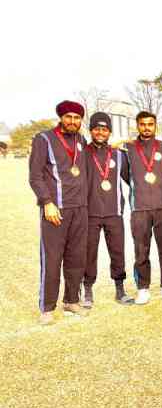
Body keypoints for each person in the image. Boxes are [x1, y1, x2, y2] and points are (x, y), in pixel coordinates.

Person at [29, 100, 89, 324]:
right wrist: (46, 202)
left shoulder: (81, 140)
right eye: (69, 117)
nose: (73, 121)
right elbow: (35, 176)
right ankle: (46, 307)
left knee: (76, 258)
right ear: (61, 117)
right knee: (52, 258)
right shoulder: (43, 139)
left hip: (79, 209)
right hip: (56, 209)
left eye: (77, 118)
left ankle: (72, 301)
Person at [122, 111, 162, 305]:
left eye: (150, 124)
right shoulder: (127, 149)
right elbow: (125, 175)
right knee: (141, 250)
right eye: (143, 124)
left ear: (155, 126)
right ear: (137, 125)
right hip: (140, 207)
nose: (146, 127)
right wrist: (142, 187)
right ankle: (143, 288)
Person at [81, 112, 133, 308]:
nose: (100, 132)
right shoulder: (83, 153)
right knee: (89, 252)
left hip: (114, 211)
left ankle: (120, 289)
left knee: (117, 252)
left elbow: (132, 179)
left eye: (104, 129)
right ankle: (87, 289)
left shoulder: (120, 155)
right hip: (90, 212)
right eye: (97, 128)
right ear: (91, 130)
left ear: (110, 132)